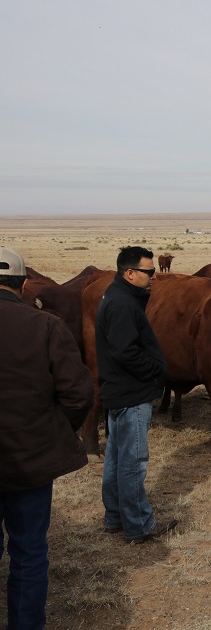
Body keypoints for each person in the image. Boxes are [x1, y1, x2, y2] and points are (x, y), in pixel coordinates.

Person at [0, 247, 93, 630]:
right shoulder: (45, 325)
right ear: (23, 284)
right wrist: (51, 432)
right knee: (29, 550)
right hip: (29, 460)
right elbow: (78, 394)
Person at [96, 246, 176, 544]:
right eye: (149, 271)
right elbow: (124, 352)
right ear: (130, 273)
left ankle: (115, 517)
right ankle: (139, 524)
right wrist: (155, 370)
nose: (154, 276)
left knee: (117, 457)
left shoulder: (118, 297)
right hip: (130, 394)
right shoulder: (122, 304)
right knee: (133, 461)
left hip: (119, 391)